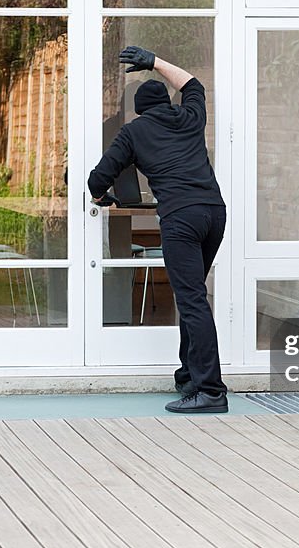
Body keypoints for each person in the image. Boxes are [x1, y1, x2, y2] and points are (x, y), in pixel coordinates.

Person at [88, 46, 228, 414]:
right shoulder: (189, 116)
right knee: (193, 296)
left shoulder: (134, 132)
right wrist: (154, 62)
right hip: (214, 213)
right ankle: (189, 377)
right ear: (167, 102)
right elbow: (193, 84)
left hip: (181, 219)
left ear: (138, 109)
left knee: (192, 301)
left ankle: (211, 391)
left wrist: (102, 197)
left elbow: (98, 178)